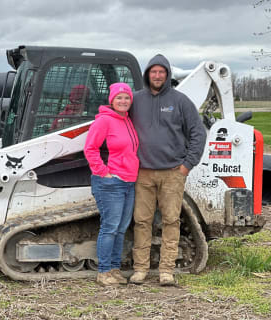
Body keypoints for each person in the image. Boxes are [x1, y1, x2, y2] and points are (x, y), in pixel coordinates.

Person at [129, 54, 206, 286]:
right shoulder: (136, 100)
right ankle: (141, 269)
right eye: (153, 71)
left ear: (167, 75)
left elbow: (197, 133)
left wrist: (186, 165)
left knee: (171, 221)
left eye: (162, 72)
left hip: (173, 172)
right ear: (147, 74)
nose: (157, 75)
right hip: (143, 173)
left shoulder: (180, 101)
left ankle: (166, 271)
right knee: (142, 221)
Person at [84, 82, 139, 286]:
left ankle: (115, 269)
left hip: (129, 182)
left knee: (121, 228)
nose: (123, 101)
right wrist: (103, 172)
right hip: (111, 183)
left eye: (127, 98)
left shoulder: (127, 121)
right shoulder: (104, 121)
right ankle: (103, 271)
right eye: (119, 98)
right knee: (110, 227)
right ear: (112, 100)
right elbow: (90, 149)